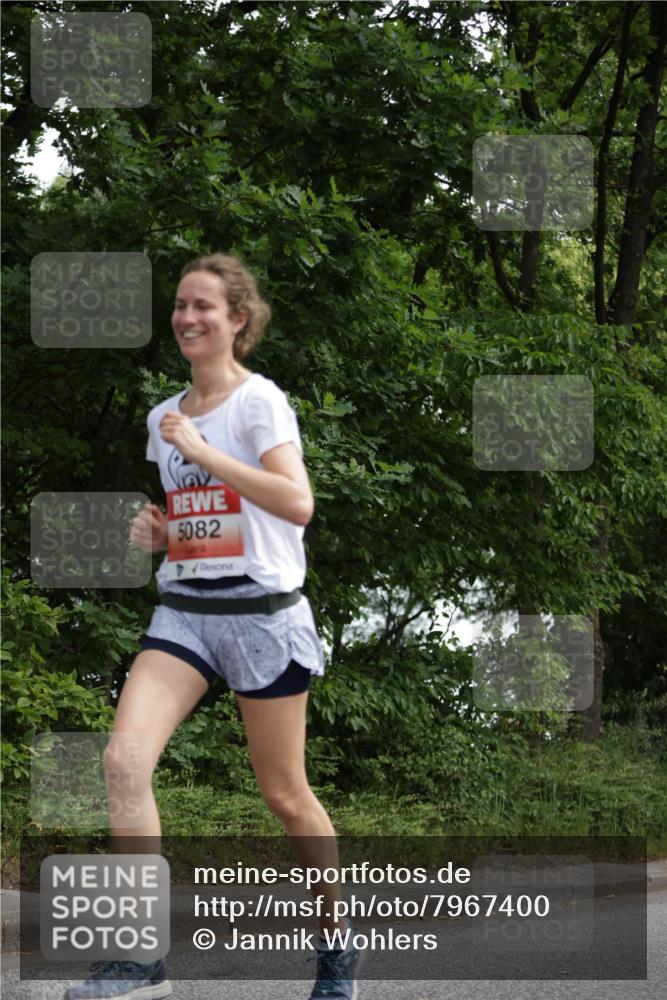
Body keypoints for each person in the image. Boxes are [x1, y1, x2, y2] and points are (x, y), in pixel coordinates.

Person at [64, 254, 362, 1000]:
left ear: (238, 320)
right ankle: (139, 963)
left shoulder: (258, 404)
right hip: (187, 613)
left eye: (204, 307)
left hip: (262, 617)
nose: (187, 318)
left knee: (284, 793)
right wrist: (164, 535)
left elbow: (296, 505)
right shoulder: (161, 417)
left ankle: (336, 943)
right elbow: (212, 519)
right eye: (179, 306)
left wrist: (202, 452)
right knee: (124, 763)